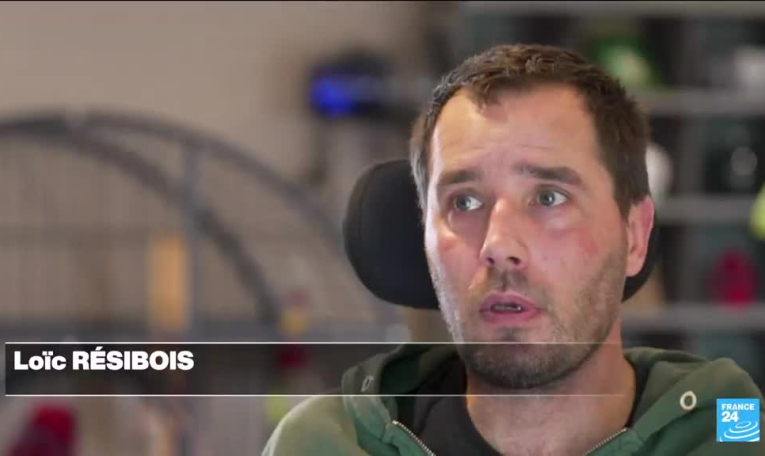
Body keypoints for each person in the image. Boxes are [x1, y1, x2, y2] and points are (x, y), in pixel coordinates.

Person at [262, 44, 764, 455]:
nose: (499, 245)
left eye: (549, 198)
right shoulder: (324, 444)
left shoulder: (730, 437)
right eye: (464, 202)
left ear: (634, 235)